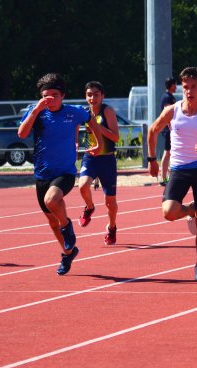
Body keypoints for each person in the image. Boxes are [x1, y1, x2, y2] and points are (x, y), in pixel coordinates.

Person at [17, 73, 102, 275]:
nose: (50, 100)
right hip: (42, 173)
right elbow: (21, 134)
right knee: (51, 220)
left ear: (63, 95)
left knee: (52, 200)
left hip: (64, 172)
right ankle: (68, 252)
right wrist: (37, 109)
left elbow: (92, 121)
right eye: (46, 96)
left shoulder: (74, 112)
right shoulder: (36, 112)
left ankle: (67, 225)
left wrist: (98, 143)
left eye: (54, 95)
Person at [147, 67, 197, 281]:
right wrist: (152, 159)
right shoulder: (172, 110)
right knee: (169, 212)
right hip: (179, 169)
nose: (189, 91)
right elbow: (152, 130)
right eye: (185, 87)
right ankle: (190, 209)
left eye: (193, 87)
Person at [77, 81, 120, 245]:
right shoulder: (85, 113)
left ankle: (112, 227)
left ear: (102, 96)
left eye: (96, 94)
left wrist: (97, 127)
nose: (92, 98)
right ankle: (89, 207)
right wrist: (74, 142)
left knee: (110, 202)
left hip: (107, 159)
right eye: (89, 95)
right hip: (91, 157)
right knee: (82, 185)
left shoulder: (107, 111)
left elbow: (116, 137)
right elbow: (75, 127)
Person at [158, 77, 177, 185]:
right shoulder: (167, 98)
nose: (176, 87)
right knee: (167, 153)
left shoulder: (170, 97)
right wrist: (171, 127)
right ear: (171, 85)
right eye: (175, 84)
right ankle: (164, 178)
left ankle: (167, 174)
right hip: (168, 129)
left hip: (169, 129)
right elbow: (167, 113)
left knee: (170, 153)